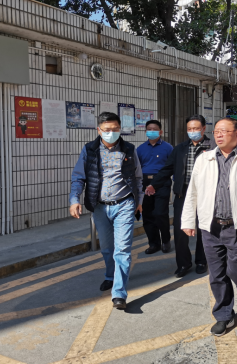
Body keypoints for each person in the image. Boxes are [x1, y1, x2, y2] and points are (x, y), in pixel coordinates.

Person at [181, 117, 237, 336]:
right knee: (217, 274)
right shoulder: (205, 159)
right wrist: (188, 220)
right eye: (216, 131)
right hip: (211, 227)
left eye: (224, 131)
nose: (218, 135)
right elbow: (193, 192)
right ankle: (224, 315)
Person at [69, 112, 144, 311]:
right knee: (107, 248)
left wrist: (139, 201)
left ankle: (119, 293)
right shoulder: (89, 149)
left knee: (122, 250)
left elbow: (138, 178)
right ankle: (110, 276)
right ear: (99, 130)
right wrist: (74, 200)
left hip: (124, 204)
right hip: (100, 207)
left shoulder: (129, 149)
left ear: (120, 129)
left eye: (115, 129)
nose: (111, 133)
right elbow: (78, 177)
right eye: (107, 129)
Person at [146, 115, 212, 277]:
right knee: (180, 230)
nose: (192, 131)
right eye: (190, 129)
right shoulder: (180, 148)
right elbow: (167, 169)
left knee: (203, 229)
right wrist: (154, 184)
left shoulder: (212, 147)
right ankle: (183, 263)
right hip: (183, 194)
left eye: (196, 128)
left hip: (206, 195)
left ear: (204, 128)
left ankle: (202, 261)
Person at [136, 120, 174, 254]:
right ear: (145, 131)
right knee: (147, 215)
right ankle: (154, 243)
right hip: (145, 183)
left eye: (155, 129)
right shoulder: (140, 149)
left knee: (160, 213)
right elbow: (136, 168)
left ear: (160, 132)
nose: (152, 131)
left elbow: (172, 166)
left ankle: (166, 240)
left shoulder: (168, 148)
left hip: (162, 182)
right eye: (149, 129)